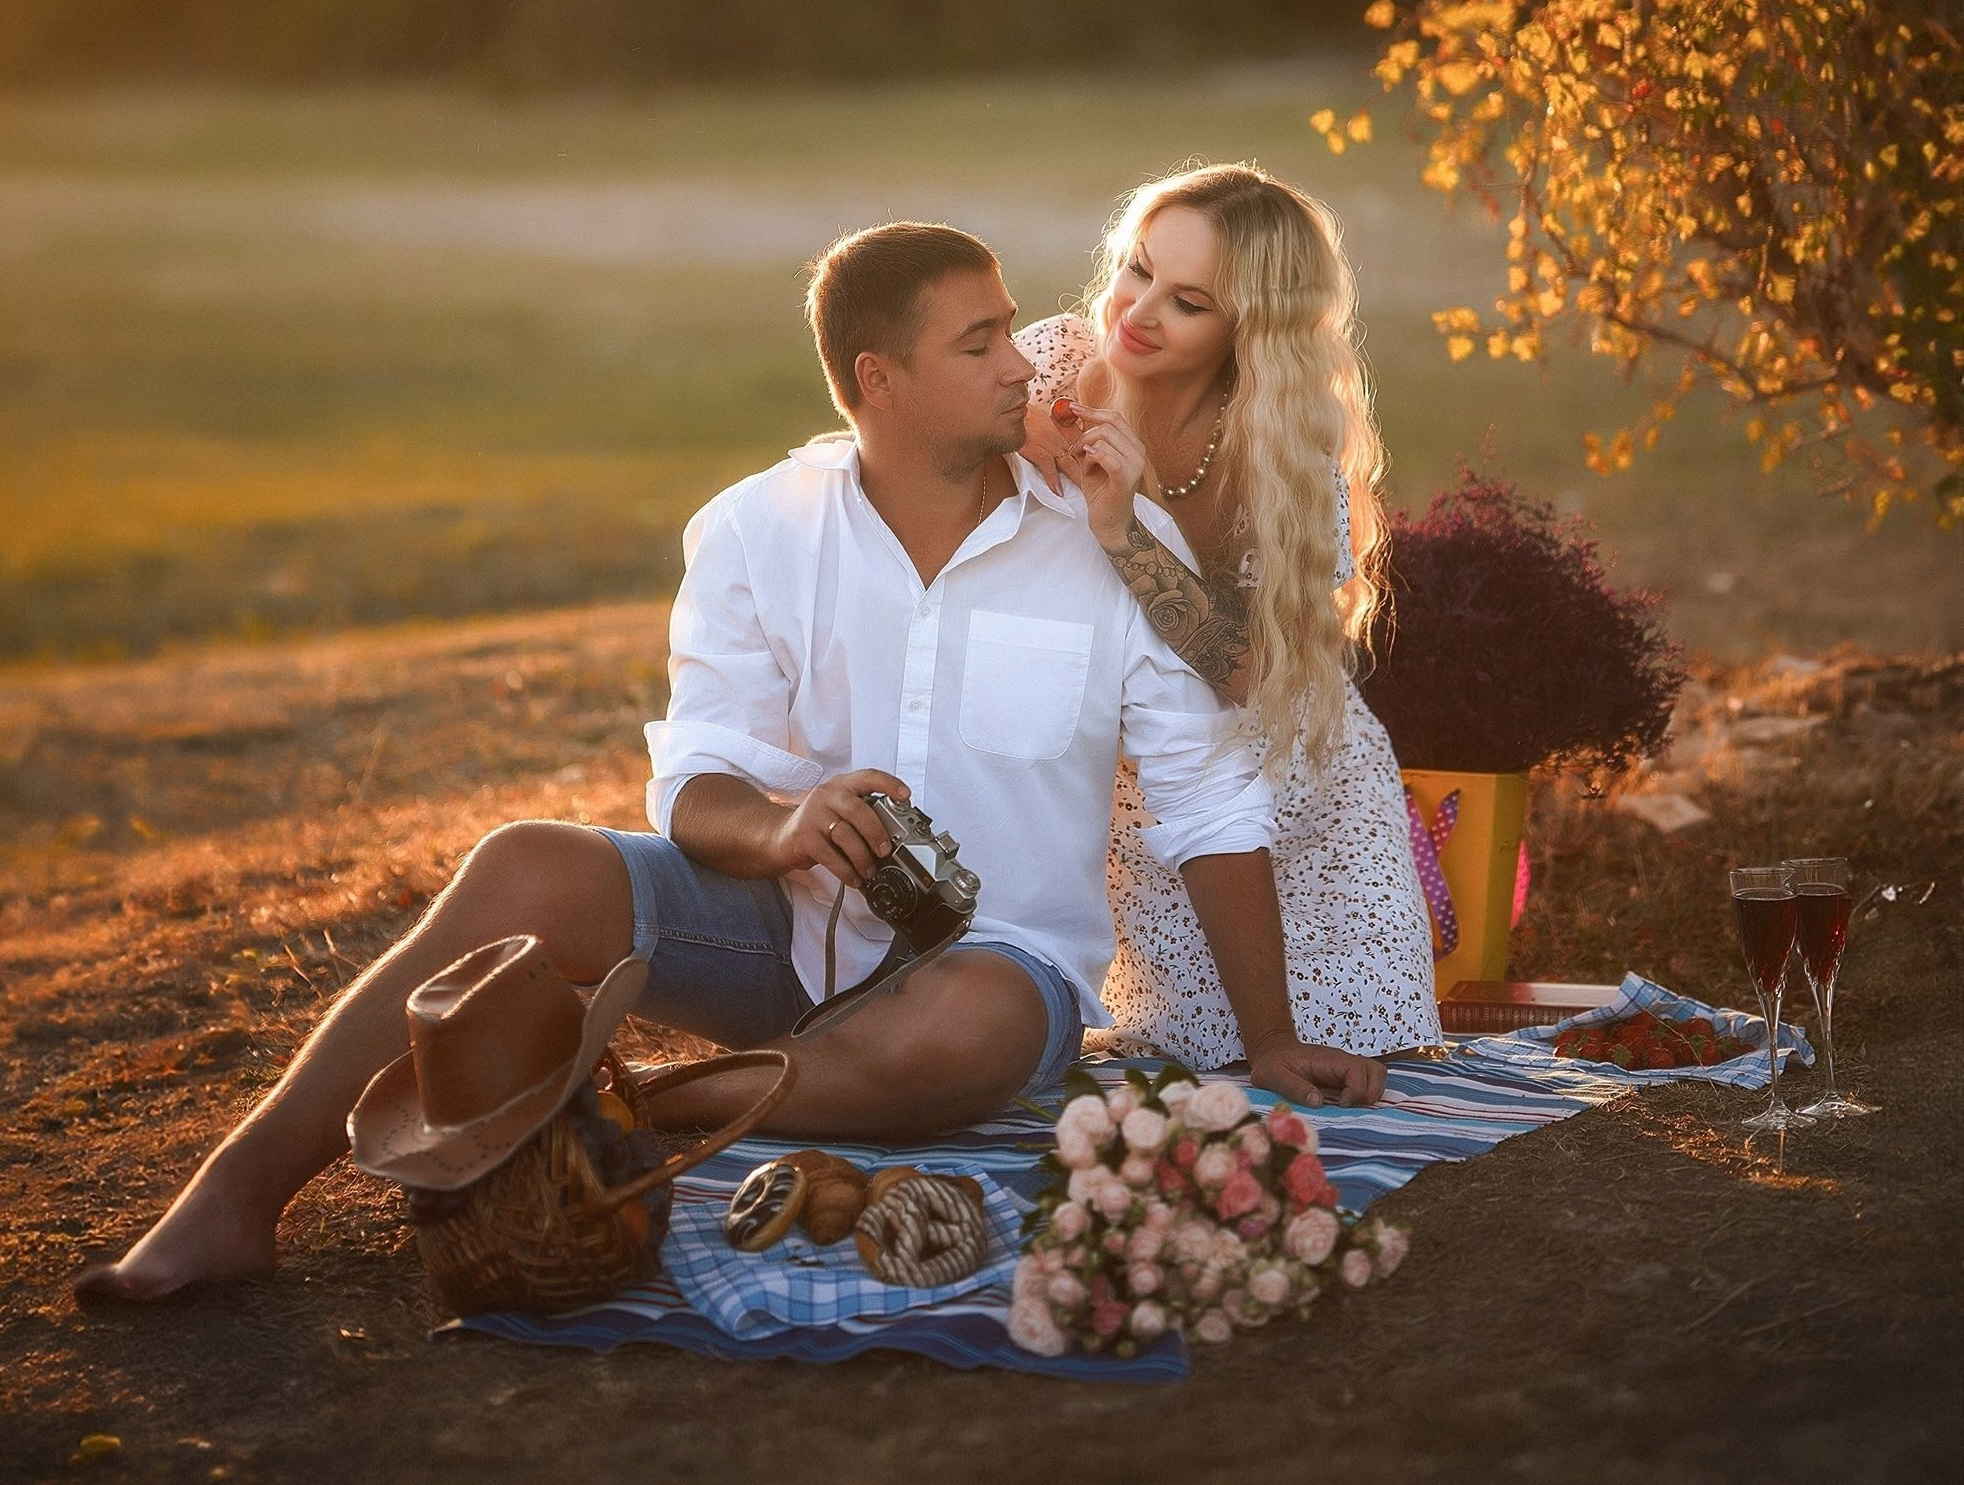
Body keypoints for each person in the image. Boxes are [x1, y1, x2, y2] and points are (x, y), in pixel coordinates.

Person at [78, 219, 1381, 1305]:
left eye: (1012, 330)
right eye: (981, 343)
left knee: (979, 1014)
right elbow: (696, 776)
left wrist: (1269, 1037)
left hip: (998, 973)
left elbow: (1212, 802)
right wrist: (779, 827)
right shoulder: (758, 530)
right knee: (525, 863)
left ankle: (617, 1118)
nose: (1029, 366)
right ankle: (236, 1200)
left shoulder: (1101, 552)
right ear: (880, 380)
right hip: (772, 936)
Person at [1017, 162, 1441, 1067]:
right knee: (1168, 1075)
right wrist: (1016, 429)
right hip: (1155, 784)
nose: (1135, 312)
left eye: (1188, 301)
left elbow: (1251, 676)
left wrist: (1123, 528)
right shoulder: (1051, 367)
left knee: (1364, 1079)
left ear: (1248, 328)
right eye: (1137, 269)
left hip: (1304, 798)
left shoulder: (1280, 454)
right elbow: (908, 435)